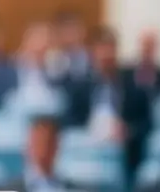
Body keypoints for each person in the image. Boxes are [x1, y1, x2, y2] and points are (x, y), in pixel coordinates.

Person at [64, 27, 152, 182]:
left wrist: (128, 131)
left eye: (110, 49)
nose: (106, 55)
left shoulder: (133, 88)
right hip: (87, 153)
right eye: (102, 50)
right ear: (93, 53)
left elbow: (146, 123)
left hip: (123, 156)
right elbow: (69, 121)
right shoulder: (80, 88)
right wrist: (89, 130)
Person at [9, 115, 71, 192]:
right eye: (38, 143)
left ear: (56, 145)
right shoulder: (9, 191)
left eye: (48, 143)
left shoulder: (70, 191)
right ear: (29, 144)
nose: (43, 149)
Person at [126, 28, 160, 101]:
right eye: (145, 45)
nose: (147, 50)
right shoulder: (126, 76)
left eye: (150, 46)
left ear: (156, 48)